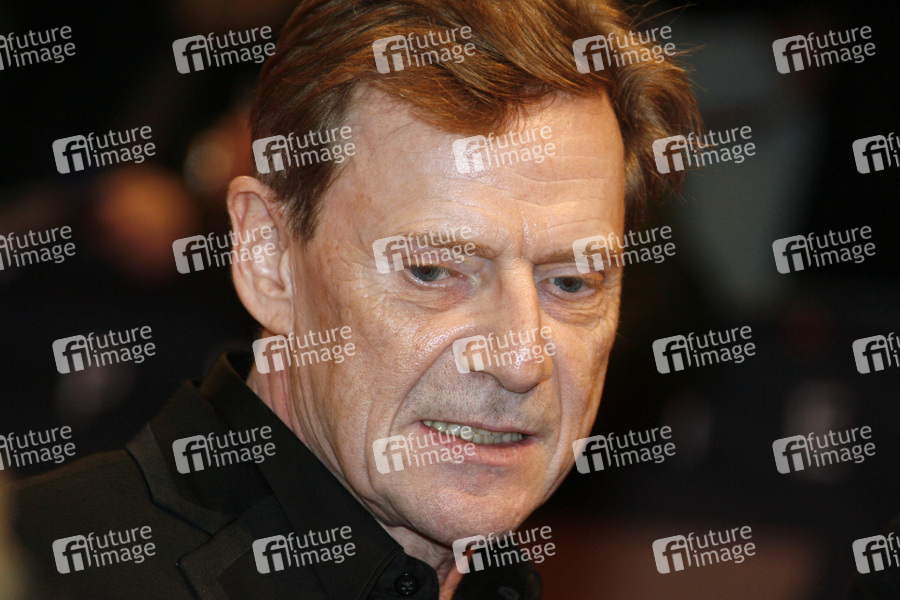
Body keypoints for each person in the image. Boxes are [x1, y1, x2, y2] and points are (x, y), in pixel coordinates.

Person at [13, 0, 699, 598]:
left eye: (571, 283)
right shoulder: (41, 572)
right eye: (433, 271)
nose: (521, 361)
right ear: (268, 260)